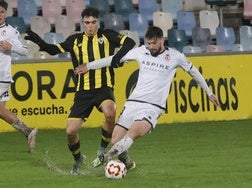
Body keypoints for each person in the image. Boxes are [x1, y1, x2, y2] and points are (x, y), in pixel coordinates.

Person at [74, 26, 220, 170]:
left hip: (153, 106)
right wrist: (89, 66)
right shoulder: (141, 51)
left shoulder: (176, 56)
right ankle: (128, 163)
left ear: (162, 40)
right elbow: (114, 59)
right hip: (133, 102)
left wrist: (209, 93)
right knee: (116, 140)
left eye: (154, 43)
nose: (151, 47)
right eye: (148, 43)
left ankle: (107, 157)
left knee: (134, 133)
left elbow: (194, 72)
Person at [24, 7, 135, 175]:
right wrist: (39, 41)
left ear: (98, 22)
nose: (90, 26)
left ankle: (102, 150)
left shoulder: (107, 36)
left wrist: (117, 58)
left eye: (93, 23)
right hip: (83, 92)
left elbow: (130, 43)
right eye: (87, 23)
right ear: (82, 23)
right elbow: (53, 50)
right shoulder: (74, 40)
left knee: (110, 112)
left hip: (104, 88)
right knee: (70, 131)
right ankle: (78, 159)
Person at [0, 0, 37, 153]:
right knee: (2, 111)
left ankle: (28, 132)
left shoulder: (10, 31)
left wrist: (11, 47)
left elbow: (25, 50)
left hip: (2, 75)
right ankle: (28, 132)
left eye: (1, 12)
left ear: (5, 13)